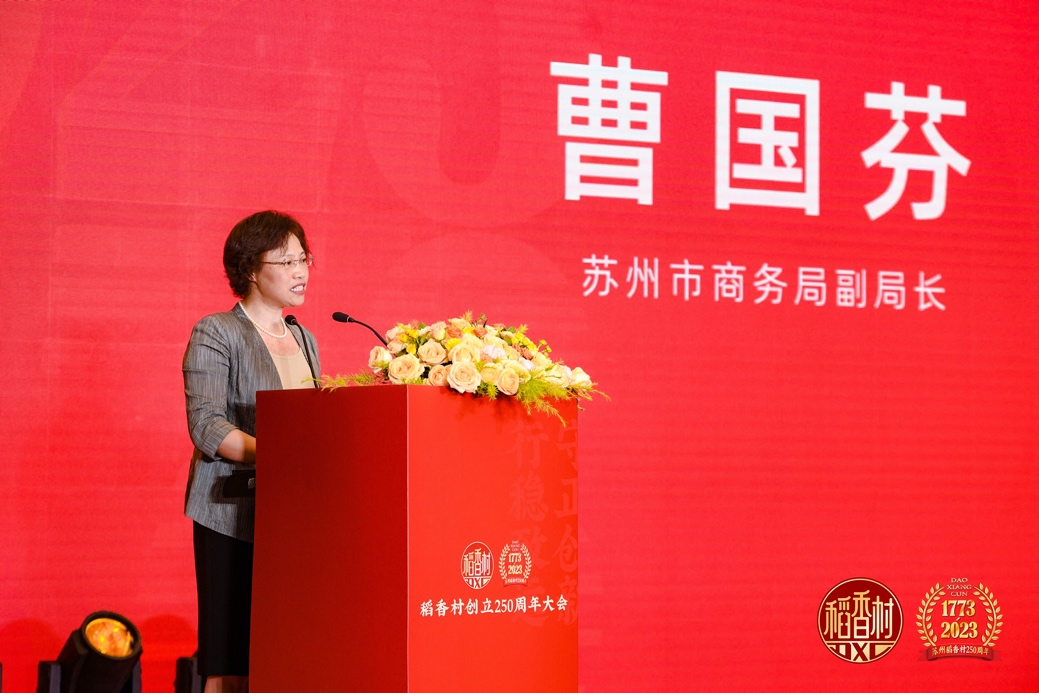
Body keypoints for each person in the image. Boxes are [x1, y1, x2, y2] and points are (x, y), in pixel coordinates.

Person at [182, 210, 319, 693]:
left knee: (282, 649)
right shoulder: (217, 331)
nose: (300, 271)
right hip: (230, 513)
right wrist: (278, 455)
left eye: (303, 258)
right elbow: (207, 426)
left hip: (293, 517)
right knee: (231, 658)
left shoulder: (304, 337)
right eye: (286, 261)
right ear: (251, 269)